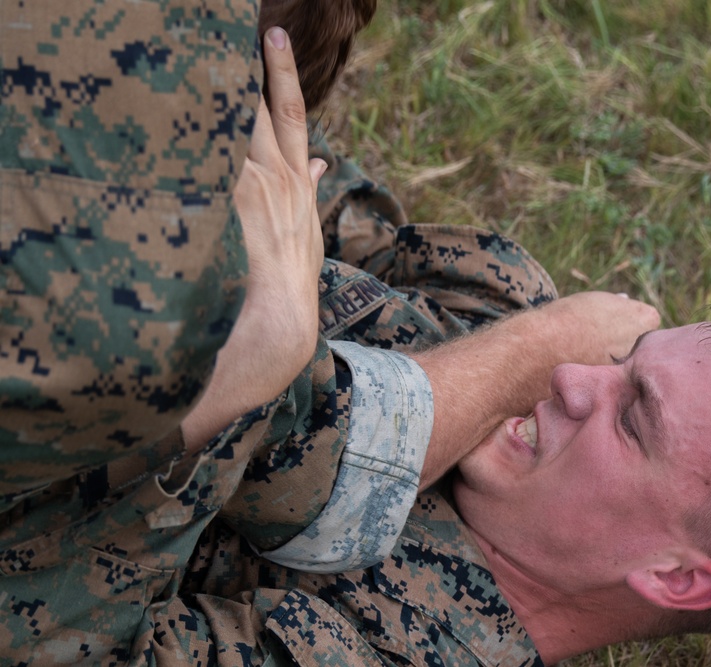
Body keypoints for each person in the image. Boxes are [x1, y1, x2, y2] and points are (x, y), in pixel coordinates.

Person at [0, 2, 658, 664]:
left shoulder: (503, 300)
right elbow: (307, 471)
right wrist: (217, 397)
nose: (573, 373)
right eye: (634, 403)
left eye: (633, 414)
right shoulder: (114, 332)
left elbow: (310, 189)